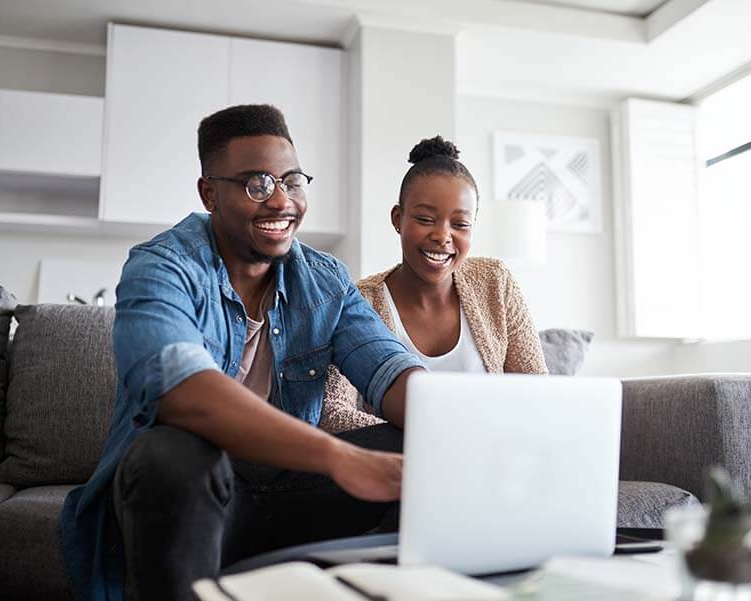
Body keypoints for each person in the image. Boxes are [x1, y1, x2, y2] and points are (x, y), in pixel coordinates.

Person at [59, 105, 425, 601]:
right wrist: (337, 456)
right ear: (210, 193)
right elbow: (183, 393)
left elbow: (388, 369)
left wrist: (454, 422)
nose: (280, 201)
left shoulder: (325, 279)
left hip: (291, 490)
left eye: (292, 181)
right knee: (172, 454)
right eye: (257, 184)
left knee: (420, 444)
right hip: (199, 494)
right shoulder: (162, 267)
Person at [321, 135, 548, 433]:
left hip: (492, 458)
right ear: (397, 219)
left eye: (460, 224)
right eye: (426, 219)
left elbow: (539, 393)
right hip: (398, 466)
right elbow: (332, 412)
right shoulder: (359, 301)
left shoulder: (495, 282)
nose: (443, 236)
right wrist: (429, 439)